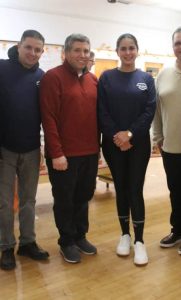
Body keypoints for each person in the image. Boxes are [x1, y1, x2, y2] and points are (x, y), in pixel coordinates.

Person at [40, 33, 99, 264]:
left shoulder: (93, 80)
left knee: (84, 197)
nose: (82, 55)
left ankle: (80, 235)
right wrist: (56, 153)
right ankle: (66, 241)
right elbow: (49, 118)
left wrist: (99, 149)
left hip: (90, 152)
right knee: (65, 199)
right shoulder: (52, 78)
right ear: (66, 52)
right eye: (77, 50)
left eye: (86, 51)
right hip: (64, 156)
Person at [98, 33, 156, 266]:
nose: (128, 52)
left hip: (139, 144)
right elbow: (102, 111)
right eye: (123, 48)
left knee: (135, 189)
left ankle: (140, 241)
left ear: (137, 50)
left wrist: (130, 134)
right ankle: (125, 235)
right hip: (113, 144)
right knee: (121, 188)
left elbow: (149, 110)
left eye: (132, 48)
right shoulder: (107, 77)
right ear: (117, 51)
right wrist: (118, 136)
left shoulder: (146, 78)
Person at [0, 29, 49, 271]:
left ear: (42, 52)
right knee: (5, 202)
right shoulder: (1, 69)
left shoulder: (42, 76)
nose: (32, 53)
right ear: (18, 46)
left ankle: (28, 243)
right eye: (28, 47)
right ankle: (6, 246)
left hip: (31, 149)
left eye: (37, 49)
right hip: (4, 150)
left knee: (29, 200)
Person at [152, 26, 181, 255]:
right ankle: (178, 229)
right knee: (175, 191)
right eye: (178, 43)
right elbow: (157, 109)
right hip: (170, 146)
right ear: (173, 48)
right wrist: (158, 136)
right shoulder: (164, 74)